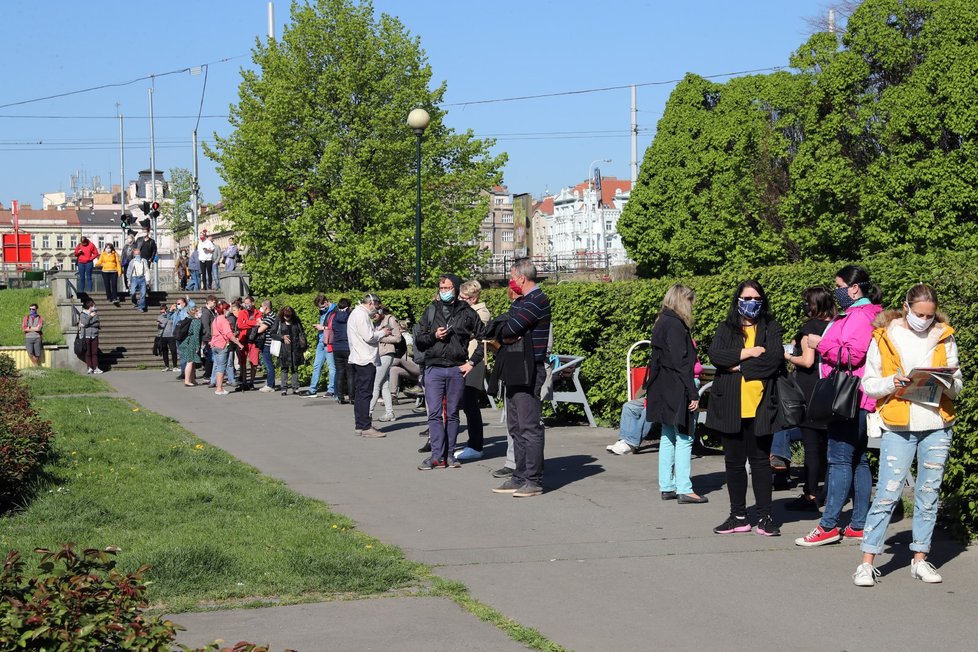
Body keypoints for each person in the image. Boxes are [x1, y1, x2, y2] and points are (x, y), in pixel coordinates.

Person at [852, 284, 963, 586]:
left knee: (929, 494)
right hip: (898, 424)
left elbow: (958, 384)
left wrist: (947, 381)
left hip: (936, 422)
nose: (924, 320)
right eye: (919, 314)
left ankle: (920, 559)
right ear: (906, 307)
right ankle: (867, 562)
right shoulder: (885, 335)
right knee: (888, 492)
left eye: (929, 315)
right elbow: (869, 384)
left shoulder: (944, 335)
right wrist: (893, 382)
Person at [796, 265, 883, 547]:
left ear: (854, 288)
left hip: (848, 398)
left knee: (839, 459)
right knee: (857, 459)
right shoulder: (864, 314)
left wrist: (819, 344)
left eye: (839, 286)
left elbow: (853, 355)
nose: (836, 291)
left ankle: (829, 525)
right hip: (858, 396)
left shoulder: (860, 316)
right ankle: (858, 524)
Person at [706, 280, 785, 536]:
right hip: (730, 405)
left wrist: (738, 365)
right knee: (734, 463)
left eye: (755, 298)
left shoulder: (771, 328)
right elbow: (716, 356)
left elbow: (772, 361)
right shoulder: (726, 328)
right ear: (737, 300)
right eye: (746, 298)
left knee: (761, 462)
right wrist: (750, 353)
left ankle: (765, 516)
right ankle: (738, 515)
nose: (751, 303)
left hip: (762, 406)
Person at [489, 260, 551, 496]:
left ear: (521, 278)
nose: (511, 281)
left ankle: (533, 480)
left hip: (530, 370)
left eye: (512, 277)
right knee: (515, 426)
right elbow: (499, 328)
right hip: (515, 368)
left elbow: (509, 328)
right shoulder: (523, 302)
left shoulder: (537, 300)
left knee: (528, 426)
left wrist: (506, 331)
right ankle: (519, 476)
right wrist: (504, 330)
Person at [415, 276, 486, 470]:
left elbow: (485, 338)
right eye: (441, 287)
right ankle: (437, 456)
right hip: (434, 368)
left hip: (456, 368)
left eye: (447, 287)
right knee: (435, 414)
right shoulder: (431, 310)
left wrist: (472, 362)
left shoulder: (468, 313)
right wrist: (433, 336)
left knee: (453, 414)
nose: (443, 290)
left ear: (455, 289)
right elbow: (419, 341)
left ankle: (449, 455)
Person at [645, 284, 708, 504]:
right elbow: (682, 363)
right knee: (684, 437)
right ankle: (684, 487)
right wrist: (693, 393)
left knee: (668, 436)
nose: (692, 306)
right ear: (683, 301)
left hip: (662, 387)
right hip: (676, 388)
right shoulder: (676, 326)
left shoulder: (661, 322)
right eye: (690, 301)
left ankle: (668, 485)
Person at [782, 286, 837, 511]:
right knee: (830, 446)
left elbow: (806, 361)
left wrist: (786, 355)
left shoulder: (810, 327)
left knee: (812, 447)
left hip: (810, 391)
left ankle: (810, 494)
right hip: (831, 390)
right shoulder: (836, 325)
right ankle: (830, 491)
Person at [456, 280, 492, 461]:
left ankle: (475, 445)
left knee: (471, 404)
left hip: (475, 362)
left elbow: (469, 333)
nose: (460, 300)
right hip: (464, 361)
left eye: (464, 298)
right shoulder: (465, 311)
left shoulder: (482, 313)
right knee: (464, 403)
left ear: (474, 298)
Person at [348, 294, 392, 438]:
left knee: (361, 393)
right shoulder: (361, 315)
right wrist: (382, 332)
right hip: (365, 359)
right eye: (377, 306)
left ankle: (360, 424)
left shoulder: (358, 314)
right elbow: (369, 336)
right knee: (365, 393)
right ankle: (365, 426)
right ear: (371, 304)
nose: (378, 309)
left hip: (359, 358)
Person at [369, 305, 403, 422]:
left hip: (386, 353)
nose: (373, 317)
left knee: (375, 384)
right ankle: (389, 413)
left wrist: (380, 337)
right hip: (378, 354)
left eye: (375, 314)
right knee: (384, 385)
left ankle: (368, 412)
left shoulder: (390, 319)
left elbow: (397, 338)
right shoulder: (377, 322)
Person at [299, 294, 336, 398]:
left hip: (329, 342)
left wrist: (322, 327)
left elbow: (335, 327)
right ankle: (312, 389)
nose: (320, 309)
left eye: (321, 306)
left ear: (326, 302)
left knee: (331, 367)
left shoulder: (335, 311)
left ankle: (331, 389)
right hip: (321, 341)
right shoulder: (324, 311)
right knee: (316, 366)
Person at [272, 305, 307, 396]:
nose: (287, 318)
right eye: (285, 316)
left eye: (289, 316)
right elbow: (272, 333)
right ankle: (284, 388)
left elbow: (301, 332)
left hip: (295, 348)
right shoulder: (278, 320)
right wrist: (282, 337)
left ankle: (295, 388)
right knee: (284, 368)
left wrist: (303, 345)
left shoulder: (296, 320)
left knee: (295, 368)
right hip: (283, 348)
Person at [209, 301, 236, 396]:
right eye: (228, 309)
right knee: (221, 367)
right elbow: (229, 334)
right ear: (224, 310)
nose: (229, 310)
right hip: (222, 345)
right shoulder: (224, 320)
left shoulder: (215, 319)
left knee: (217, 365)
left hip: (215, 344)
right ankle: (219, 388)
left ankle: (217, 385)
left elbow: (212, 332)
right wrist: (239, 343)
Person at [235, 296, 262, 392]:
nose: (247, 305)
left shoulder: (258, 312)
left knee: (254, 362)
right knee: (243, 362)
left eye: (248, 303)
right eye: (245, 303)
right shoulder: (242, 312)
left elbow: (260, 323)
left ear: (253, 303)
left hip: (254, 340)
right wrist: (254, 323)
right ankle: (244, 381)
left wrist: (247, 322)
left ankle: (251, 382)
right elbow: (240, 325)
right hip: (243, 339)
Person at [331, 299, 353, 404]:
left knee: (339, 372)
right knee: (350, 373)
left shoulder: (334, 317)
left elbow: (333, 329)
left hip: (337, 347)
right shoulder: (350, 317)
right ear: (348, 307)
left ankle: (340, 396)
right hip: (348, 347)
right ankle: (352, 397)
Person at [255, 300, 279, 392]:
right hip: (266, 343)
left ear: (265, 307)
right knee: (268, 364)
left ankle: (270, 385)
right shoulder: (268, 316)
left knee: (268, 364)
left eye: (261, 306)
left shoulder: (271, 317)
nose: (260, 308)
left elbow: (260, 329)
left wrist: (260, 323)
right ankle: (270, 384)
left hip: (268, 343)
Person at [178, 306, 203, 387]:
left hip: (188, 341)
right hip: (192, 342)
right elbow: (196, 335)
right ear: (195, 313)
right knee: (190, 362)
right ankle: (187, 381)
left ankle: (192, 380)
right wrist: (197, 345)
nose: (200, 313)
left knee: (192, 362)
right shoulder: (197, 322)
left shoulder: (193, 320)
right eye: (199, 312)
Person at [78, 299, 102, 374]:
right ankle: (90, 367)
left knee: (94, 352)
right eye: (93, 306)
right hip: (86, 335)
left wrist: (87, 325)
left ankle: (96, 367)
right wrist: (90, 317)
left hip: (94, 335)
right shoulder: (82, 314)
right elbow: (84, 322)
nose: (94, 307)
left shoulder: (95, 314)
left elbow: (97, 324)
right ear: (89, 306)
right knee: (88, 352)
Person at [156, 304, 178, 372]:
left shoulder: (172, 315)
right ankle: (166, 366)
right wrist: (159, 324)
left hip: (171, 336)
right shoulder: (159, 317)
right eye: (161, 311)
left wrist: (169, 314)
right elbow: (162, 325)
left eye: (163, 311)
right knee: (164, 351)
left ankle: (175, 366)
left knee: (173, 351)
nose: (162, 313)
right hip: (163, 336)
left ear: (166, 310)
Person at [200, 295, 217, 381]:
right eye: (214, 302)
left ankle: (208, 373)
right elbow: (206, 325)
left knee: (210, 356)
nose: (215, 304)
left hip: (210, 336)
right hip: (208, 337)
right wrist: (209, 337)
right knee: (210, 356)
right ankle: (207, 374)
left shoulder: (211, 311)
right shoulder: (206, 312)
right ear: (209, 301)